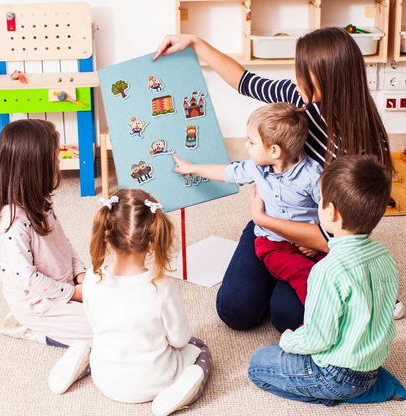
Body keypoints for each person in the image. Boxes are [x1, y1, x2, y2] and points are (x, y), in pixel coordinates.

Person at [154, 27, 403, 331]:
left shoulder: (360, 143)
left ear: (327, 77)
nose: (295, 78)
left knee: (289, 317)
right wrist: (195, 41)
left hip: (322, 231)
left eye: (302, 71)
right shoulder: (298, 97)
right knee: (234, 310)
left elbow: (351, 226)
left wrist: (310, 237)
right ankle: (276, 278)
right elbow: (244, 81)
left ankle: (353, 284)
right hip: (272, 224)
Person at [248, 155, 398, 405]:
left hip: (336, 375)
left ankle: (336, 396)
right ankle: (367, 384)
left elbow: (319, 339)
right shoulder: (385, 256)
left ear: (331, 212)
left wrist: (289, 340)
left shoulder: (327, 270)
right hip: (372, 363)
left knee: (258, 364)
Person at [48, 189, 212, 416]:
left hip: (104, 378)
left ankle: (81, 358)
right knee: (200, 348)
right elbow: (179, 340)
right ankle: (182, 390)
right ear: (153, 238)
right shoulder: (162, 287)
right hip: (157, 382)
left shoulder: (92, 280)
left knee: (103, 341)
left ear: (107, 235)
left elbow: (96, 326)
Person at [173, 102, 326, 305]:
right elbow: (226, 173)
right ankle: (322, 319)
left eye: (251, 142)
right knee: (305, 275)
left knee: (336, 269)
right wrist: (193, 168)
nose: (246, 146)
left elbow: (327, 212)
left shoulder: (312, 174)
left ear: (274, 151)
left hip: (306, 240)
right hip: (274, 245)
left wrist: (316, 243)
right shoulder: (255, 168)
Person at [0, 119, 92, 347]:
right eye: (55, 157)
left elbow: (62, 242)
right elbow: (29, 280)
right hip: (38, 301)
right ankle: (31, 329)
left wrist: (80, 274)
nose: (58, 161)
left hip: (63, 284)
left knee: (120, 308)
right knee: (104, 331)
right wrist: (75, 294)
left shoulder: (39, 199)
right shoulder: (11, 222)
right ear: (35, 167)